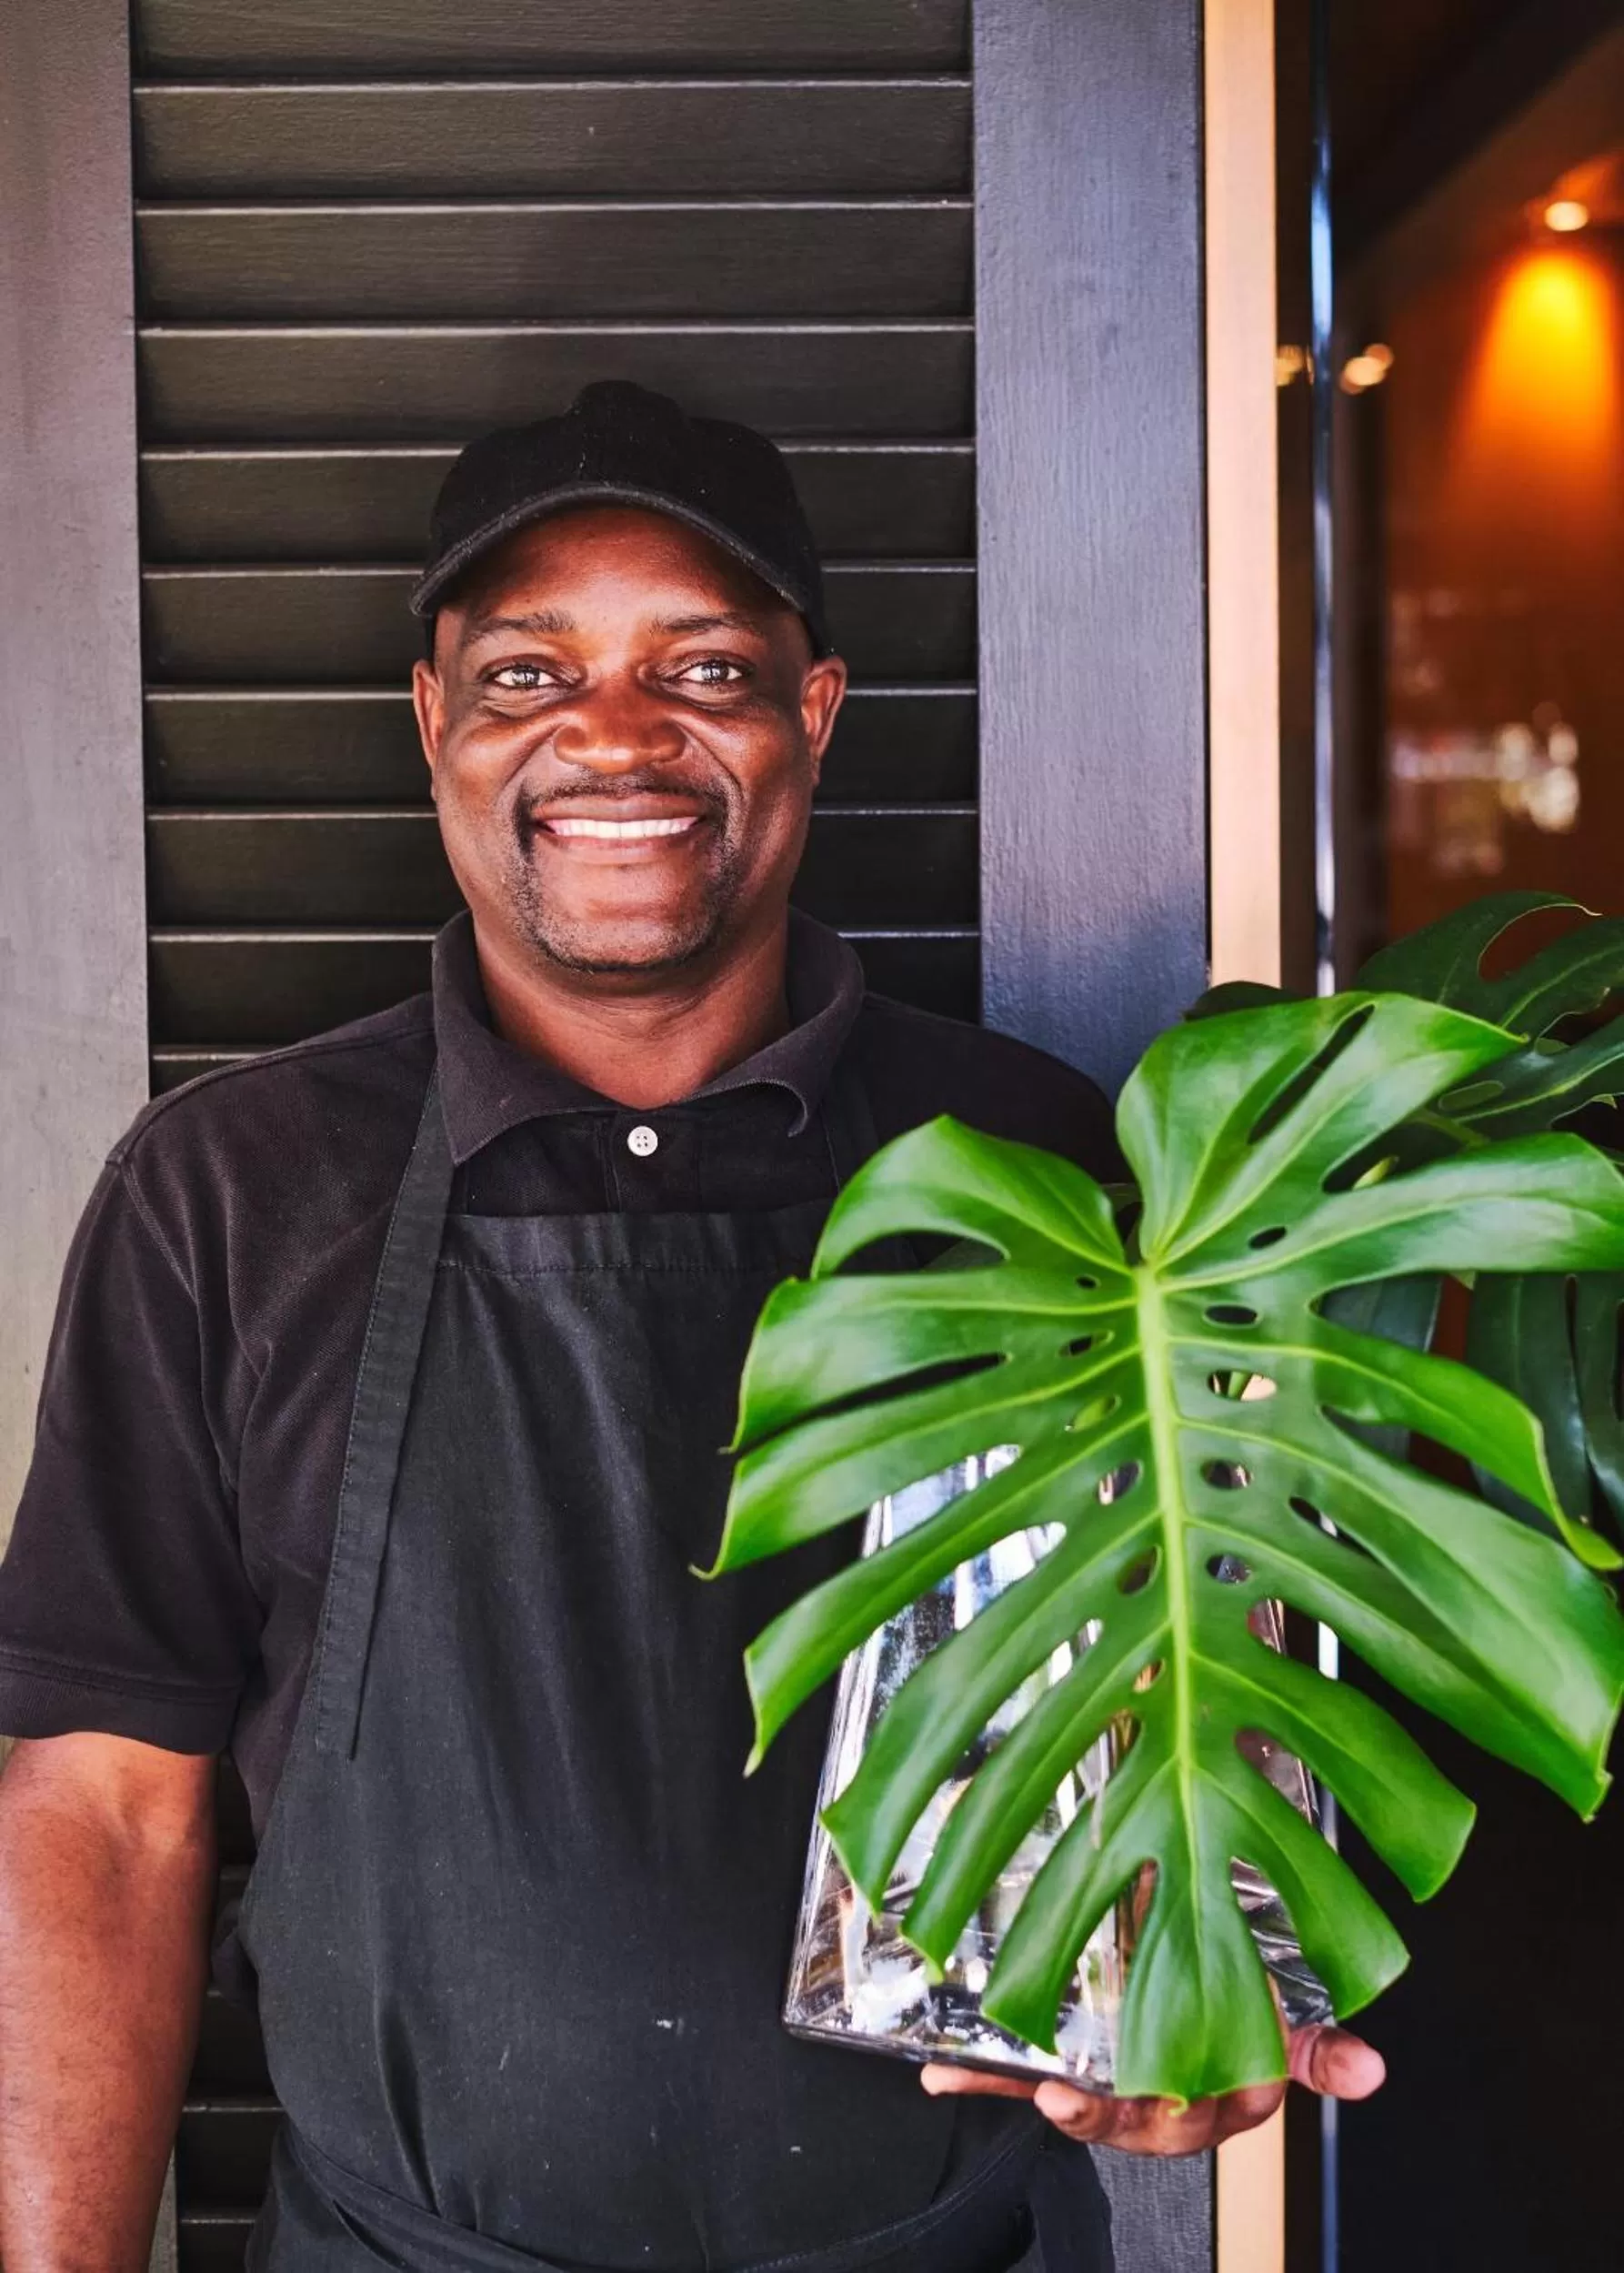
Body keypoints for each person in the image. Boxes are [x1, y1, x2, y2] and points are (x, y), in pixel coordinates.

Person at [0, 381, 1381, 2272]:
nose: (613, 737)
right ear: (431, 723)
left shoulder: (1059, 1173)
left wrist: (1179, 2017)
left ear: (812, 714)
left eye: (705, 668)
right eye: (524, 676)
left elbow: (1157, 1724)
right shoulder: (227, 1190)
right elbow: (100, 1813)